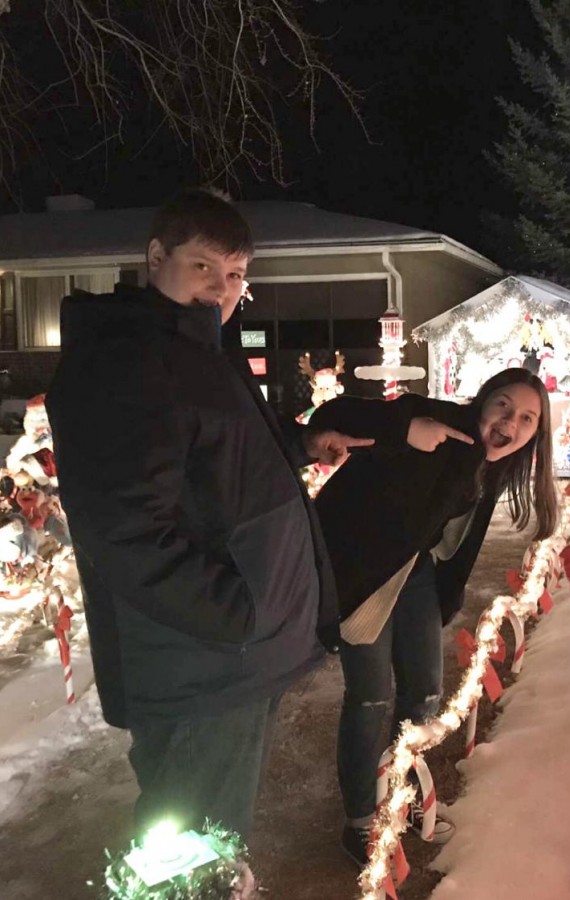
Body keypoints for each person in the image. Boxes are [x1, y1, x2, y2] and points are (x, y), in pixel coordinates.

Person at [45, 188, 371, 849]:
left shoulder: (195, 353)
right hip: (202, 668)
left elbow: (210, 454)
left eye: (235, 274)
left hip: (230, 660)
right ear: (156, 255)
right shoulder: (128, 359)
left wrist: (299, 445)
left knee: (209, 850)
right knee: (193, 856)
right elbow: (124, 529)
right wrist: (238, 617)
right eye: (203, 266)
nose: (221, 289)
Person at [309, 367, 558, 867]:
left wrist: (445, 598)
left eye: (527, 418)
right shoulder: (437, 422)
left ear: (535, 435)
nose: (511, 420)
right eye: (504, 405)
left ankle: (400, 799)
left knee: (423, 691)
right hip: (364, 572)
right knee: (370, 695)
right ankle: (361, 820)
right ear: (482, 402)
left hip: (416, 573)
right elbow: (333, 415)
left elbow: (454, 544)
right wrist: (405, 427)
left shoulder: (491, 466)